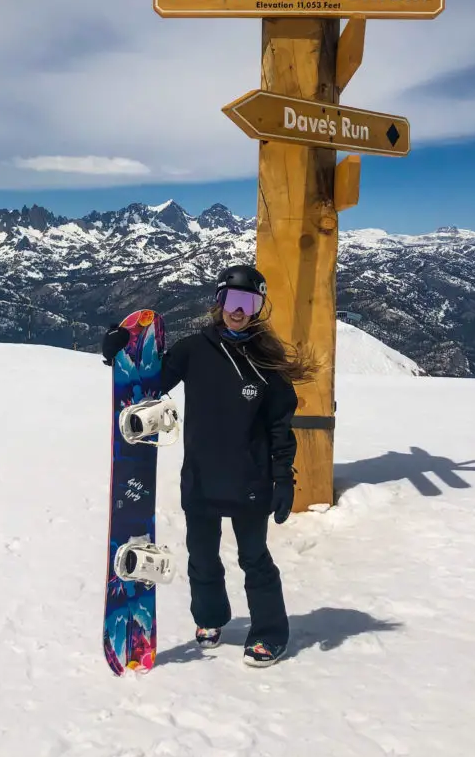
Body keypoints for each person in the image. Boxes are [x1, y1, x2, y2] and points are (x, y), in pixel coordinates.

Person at [101, 264, 319, 668]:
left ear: (258, 308)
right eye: (232, 301)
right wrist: (121, 352)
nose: (239, 310)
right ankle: (210, 618)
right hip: (200, 478)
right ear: (218, 302)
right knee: (201, 556)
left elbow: (279, 428)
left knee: (254, 558)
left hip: (249, 481)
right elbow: (149, 383)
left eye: (249, 302)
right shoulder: (192, 350)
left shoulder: (265, 363)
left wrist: (283, 478)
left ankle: (270, 633)